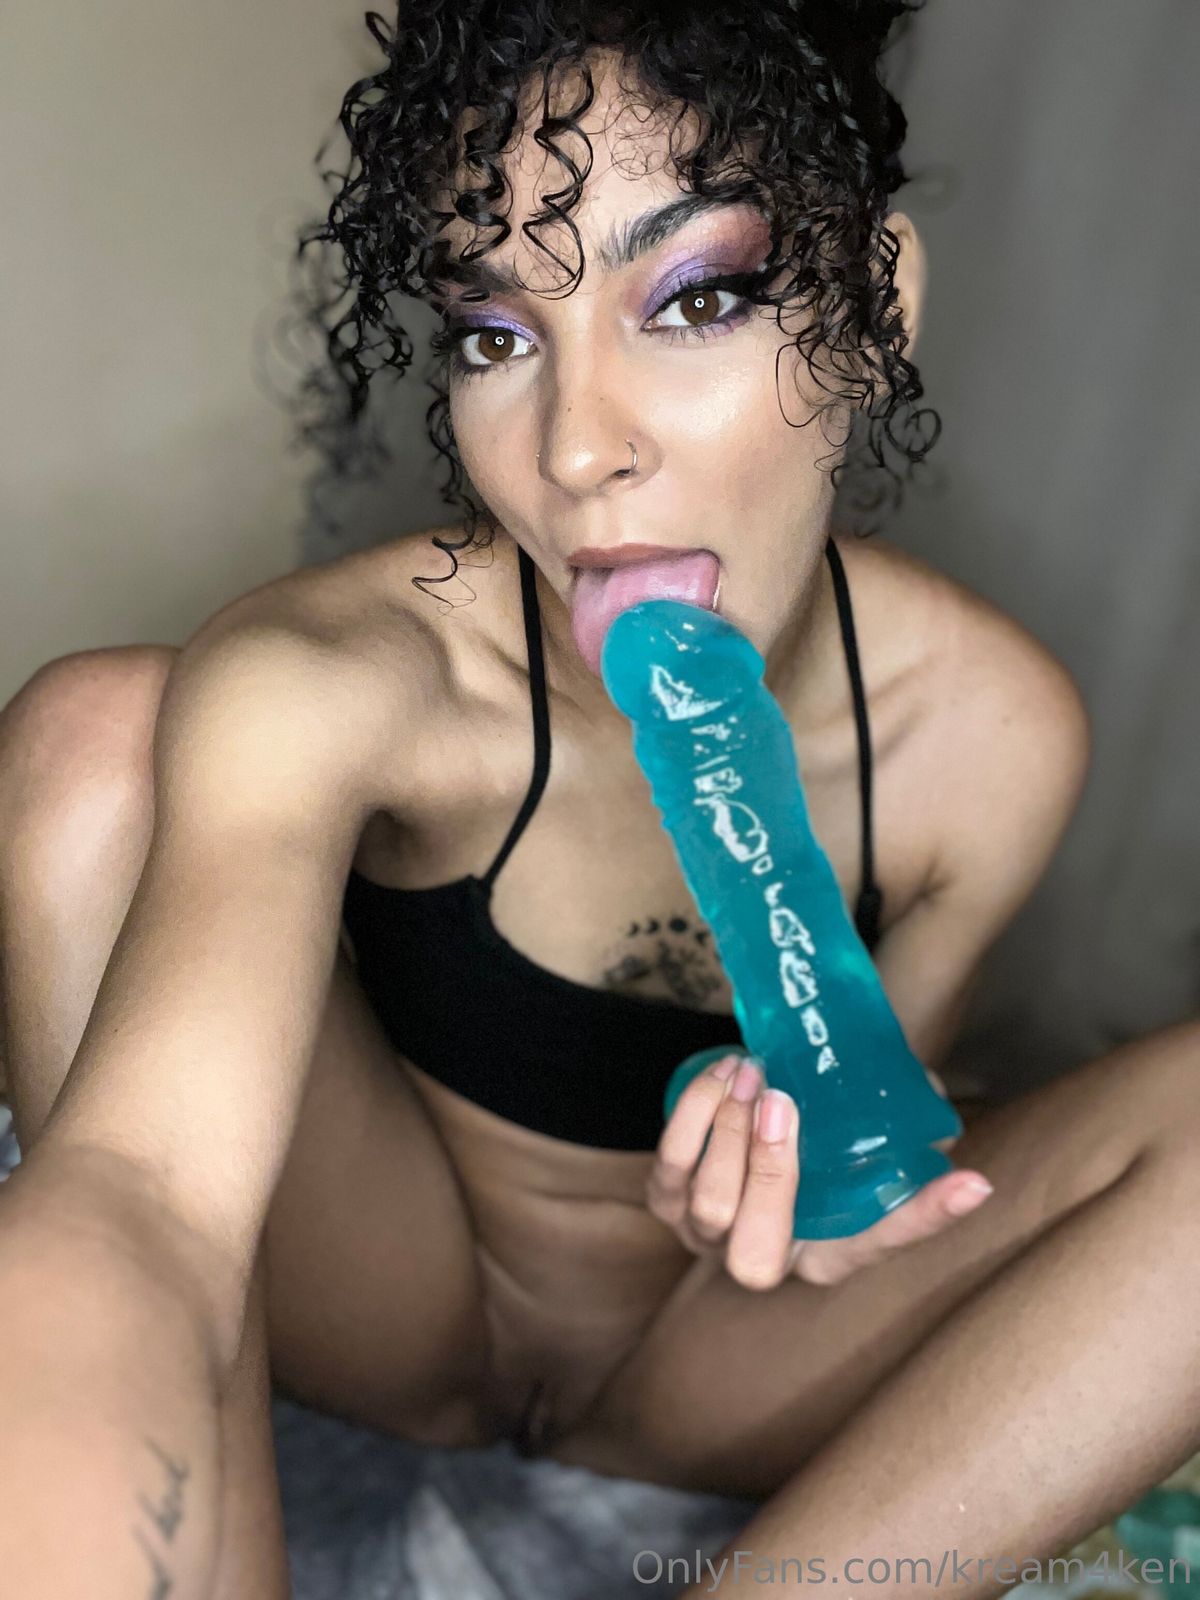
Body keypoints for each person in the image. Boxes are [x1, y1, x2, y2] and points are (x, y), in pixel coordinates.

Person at [1, 4, 1198, 1598]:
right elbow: (146, 1193)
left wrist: (825, 1169)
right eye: (500, 336)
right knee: (92, 742)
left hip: (714, 1349)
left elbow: (863, 1127)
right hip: (397, 1302)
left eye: (693, 300)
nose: (576, 451)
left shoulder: (989, 734)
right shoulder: (351, 675)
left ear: (877, 305)